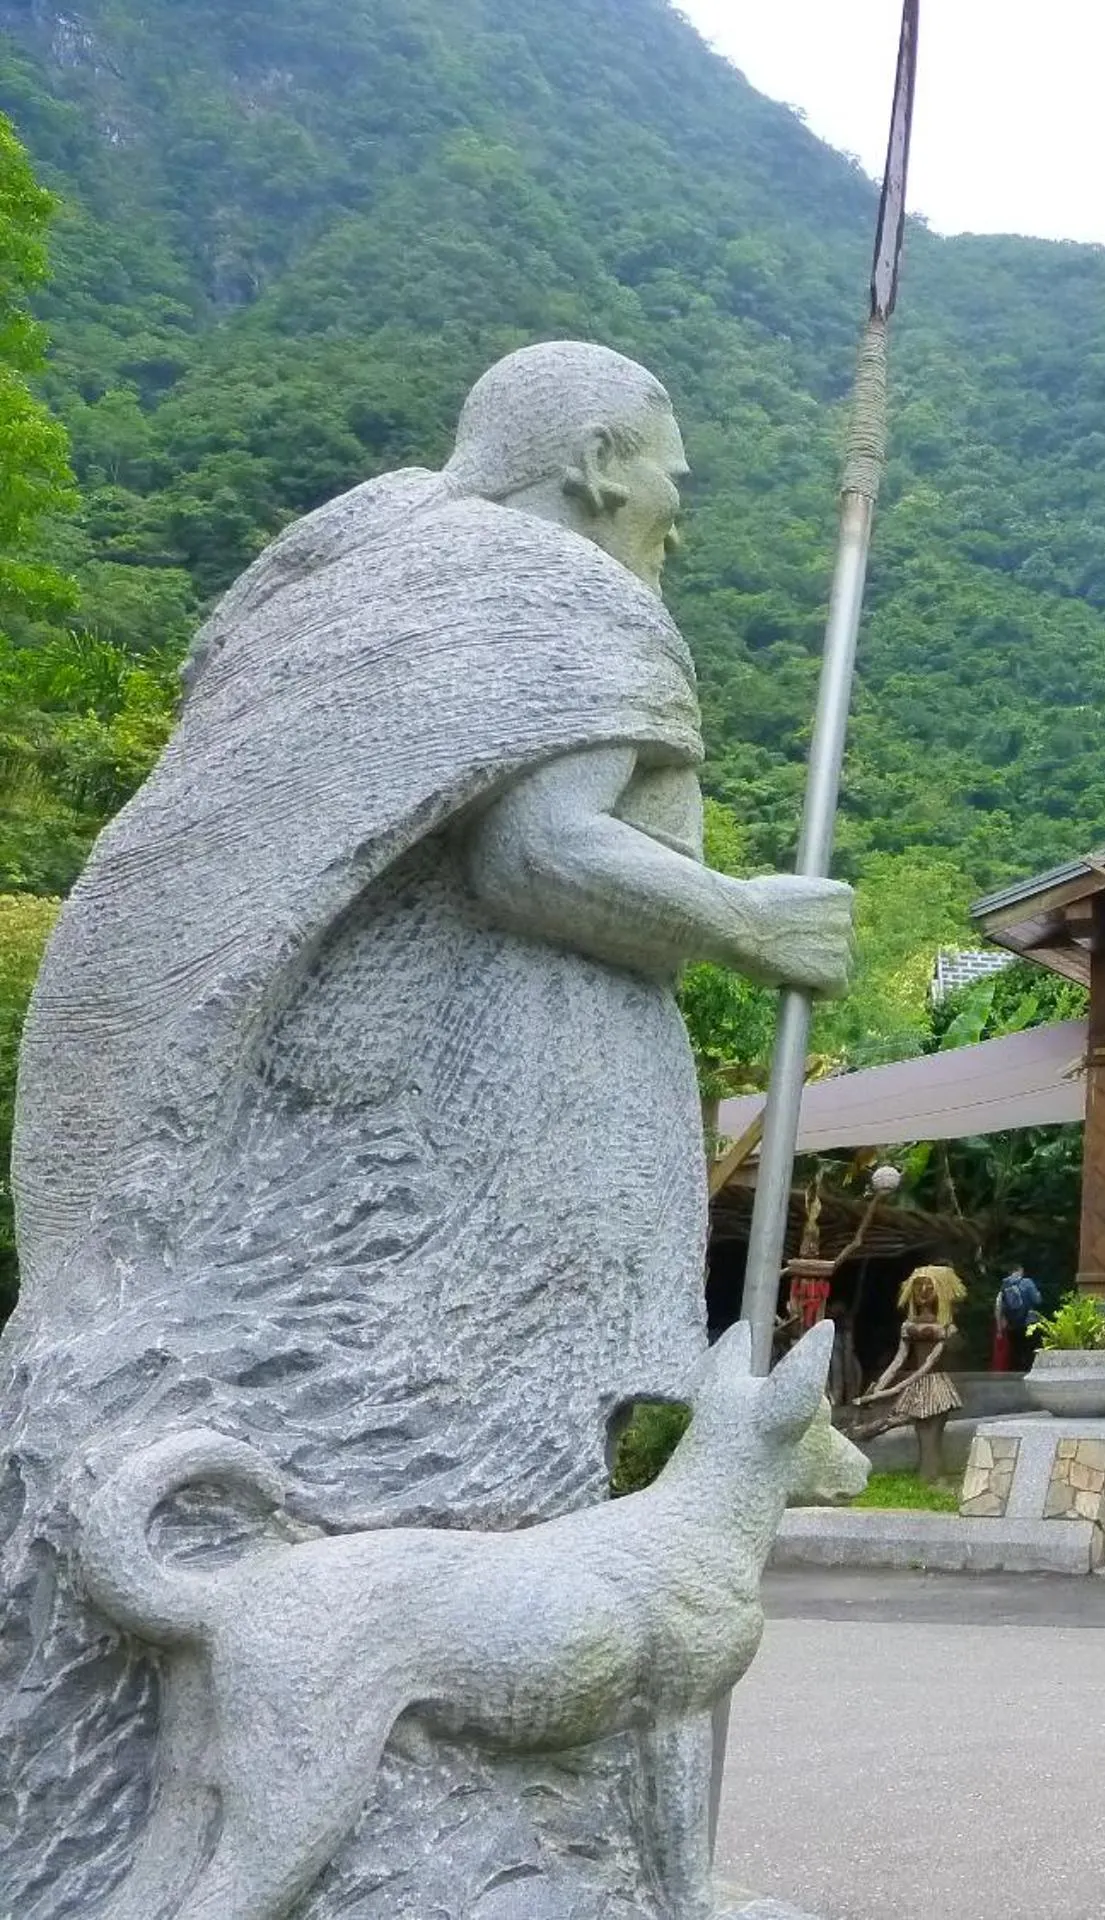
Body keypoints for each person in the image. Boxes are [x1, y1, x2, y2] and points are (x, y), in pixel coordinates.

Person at [0, 342, 853, 1918]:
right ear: (598, 459)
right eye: (669, 461)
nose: (680, 499)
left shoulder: (353, 573)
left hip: (343, 1125)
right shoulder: (562, 590)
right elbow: (541, 852)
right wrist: (750, 923)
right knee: (502, 1455)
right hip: (494, 1130)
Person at [994, 1262, 1042, 1371]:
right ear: (1020, 1271)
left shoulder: (1004, 1285)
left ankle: (1016, 1373)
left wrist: (999, 1329)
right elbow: (1037, 1300)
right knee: (1030, 1350)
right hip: (1029, 1322)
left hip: (1013, 1324)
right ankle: (1030, 1371)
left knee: (1016, 1351)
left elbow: (999, 1306)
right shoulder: (1027, 1282)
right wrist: (1038, 1295)